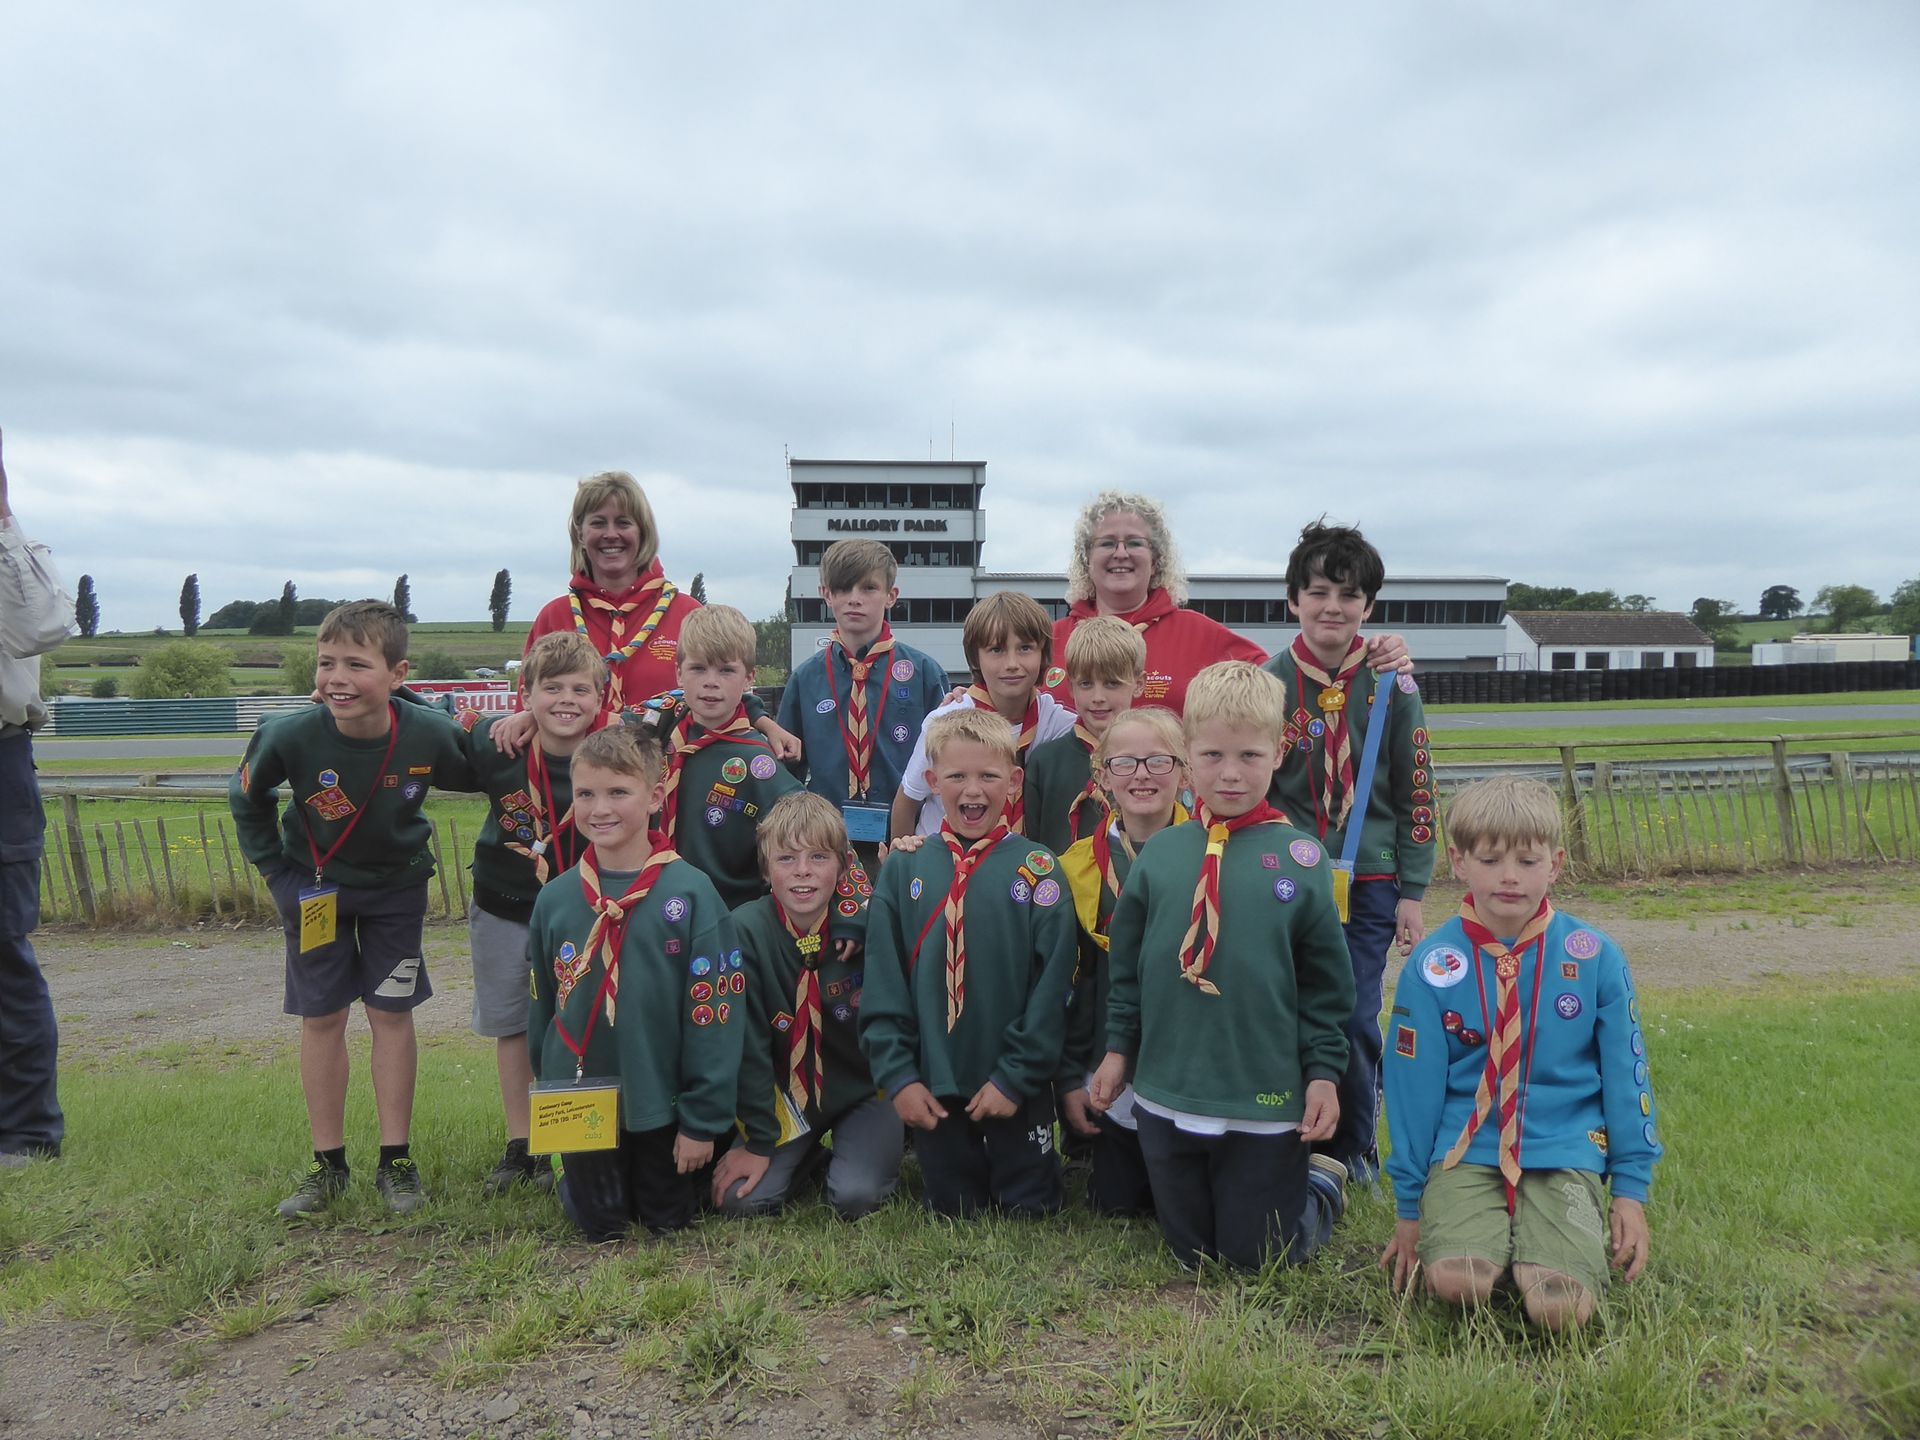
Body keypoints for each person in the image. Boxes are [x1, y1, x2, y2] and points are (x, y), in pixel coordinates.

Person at [1091, 661, 1354, 1270]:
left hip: (1262, 1094)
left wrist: (1322, 1073)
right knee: (1191, 1255)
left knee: (1256, 1257)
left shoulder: (1303, 858)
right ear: (1187, 756)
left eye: (1249, 756)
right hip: (1169, 1088)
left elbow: (1325, 986)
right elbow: (1127, 970)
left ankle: (1319, 1185)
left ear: (1278, 753)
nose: (1230, 774)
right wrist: (1117, 1052)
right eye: (1211, 755)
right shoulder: (1161, 856)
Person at [1381, 776, 1659, 1331]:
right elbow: (1413, 1091)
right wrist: (1410, 1208)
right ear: (1458, 862)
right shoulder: (1433, 965)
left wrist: (1630, 1191)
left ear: (1555, 864)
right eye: (1490, 859)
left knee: (1560, 1308)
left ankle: (1538, 1244)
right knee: (1458, 1281)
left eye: (1528, 861)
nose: (1510, 876)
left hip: (1566, 1143)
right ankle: (1490, 1237)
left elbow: (1627, 1077)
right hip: (1467, 1144)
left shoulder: (1596, 957)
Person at [230, 601, 479, 1216]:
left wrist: (512, 729)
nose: (336, 678)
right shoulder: (288, 734)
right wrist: (273, 872)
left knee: (390, 1014)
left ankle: (396, 1160)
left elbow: (483, 770)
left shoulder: (426, 733)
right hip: (315, 894)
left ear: (397, 674)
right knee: (321, 1019)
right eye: (326, 663)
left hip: (397, 892)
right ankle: (327, 1166)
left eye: (356, 664)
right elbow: (247, 797)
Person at [1265, 521, 1435, 1185]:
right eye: (1317, 592)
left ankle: (1355, 1145)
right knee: (1290, 1008)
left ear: (1368, 606)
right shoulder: (1269, 686)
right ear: (1293, 601)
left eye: (1348, 594)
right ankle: (1289, 1134)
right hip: (1291, 879)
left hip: (1370, 881)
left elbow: (1417, 791)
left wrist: (1413, 893)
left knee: (1359, 1013)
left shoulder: (1394, 685)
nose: (1332, 607)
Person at [527, 725, 743, 1240]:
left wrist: (701, 1121)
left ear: (655, 797)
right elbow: (540, 1009)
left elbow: (717, 1016)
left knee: (665, 1220)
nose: (599, 808)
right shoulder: (555, 898)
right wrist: (550, 1086)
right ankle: (570, 1170)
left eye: (618, 792)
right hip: (583, 1098)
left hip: (664, 1103)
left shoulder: (691, 893)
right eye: (585, 794)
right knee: (600, 1226)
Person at [860, 709, 1079, 1218]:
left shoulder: (1039, 869)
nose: (972, 790)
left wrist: (1016, 1077)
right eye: (957, 776)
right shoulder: (903, 869)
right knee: (954, 1209)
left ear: (1015, 780)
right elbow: (884, 982)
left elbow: (1054, 989)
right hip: (935, 1084)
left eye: (988, 775)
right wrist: (900, 1077)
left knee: (1030, 1208)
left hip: (1014, 1086)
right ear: (933, 782)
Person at [453, 632, 606, 1194]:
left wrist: (762, 720)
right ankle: (524, 1144)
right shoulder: (499, 746)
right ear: (525, 693)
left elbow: (691, 701)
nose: (566, 700)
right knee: (513, 1025)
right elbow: (431, 718)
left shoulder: (615, 750)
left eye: (580, 689)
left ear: (600, 698)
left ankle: (571, 1134)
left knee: (583, 1022)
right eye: (551, 688)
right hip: (506, 905)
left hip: (587, 911)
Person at [1045, 492, 1413, 716]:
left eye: (1135, 543)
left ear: (1157, 558)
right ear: (1085, 558)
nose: (1121, 553)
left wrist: (1370, 656)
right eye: (1107, 543)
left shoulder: (1202, 635)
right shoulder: (1049, 641)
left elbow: (1292, 684)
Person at [715, 792, 904, 1220]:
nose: (802, 872)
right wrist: (760, 1142)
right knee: (739, 1201)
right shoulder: (742, 932)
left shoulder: (869, 925)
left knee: (856, 1197)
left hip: (862, 1089)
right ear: (765, 871)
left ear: (842, 866)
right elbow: (745, 1047)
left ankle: (865, 1151)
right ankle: (806, 1158)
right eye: (786, 859)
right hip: (785, 1093)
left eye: (818, 857)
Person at [513, 469, 797, 748]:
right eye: (598, 523)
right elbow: (528, 709)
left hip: (671, 781)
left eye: (623, 523)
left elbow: (724, 689)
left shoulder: (687, 613)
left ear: (643, 532)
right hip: (579, 786)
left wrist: (765, 724)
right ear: (580, 534)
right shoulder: (554, 617)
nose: (611, 534)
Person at [1057, 706, 1189, 1216]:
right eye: (1125, 763)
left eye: (1159, 761)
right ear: (1102, 776)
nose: (1141, 775)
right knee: (1116, 1205)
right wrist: (1071, 1076)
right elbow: (1067, 982)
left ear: (1185, 772)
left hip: (1187, 1055)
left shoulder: (1213, 855)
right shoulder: (1076, 865)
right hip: (1108, 1055)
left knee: (1179, 1201)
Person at [0, 424, 75, 1169]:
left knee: (1, 953)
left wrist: (1, 521)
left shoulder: (16, 554)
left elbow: (44, 628)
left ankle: (25, 1133)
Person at [775, 538, 951, 856]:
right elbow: (787, 772)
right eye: (843, 588)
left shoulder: (925, 672)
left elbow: (948, 762)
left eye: (868, 588)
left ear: (890, 596)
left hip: (909, 842)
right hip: (824, 845)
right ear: (826, 594)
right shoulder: (805, 679)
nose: (854, 599)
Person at [656, 605, 808, 910]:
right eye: (698, 668)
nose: (711, 682)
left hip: (725, 915)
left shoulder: (759, 764)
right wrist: (533, 718)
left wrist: (851, 910)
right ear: (678, 673)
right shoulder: (662, 723)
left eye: (726, 670)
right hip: (652, 909)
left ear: (749, 677)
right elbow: (593, 716)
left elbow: (816, 828)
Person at [892, 591, 1075, 838]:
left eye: (1025, 648)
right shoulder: (945, 721)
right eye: (996, 650)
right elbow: (907, 801)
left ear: (1043, 654)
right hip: (946, 862)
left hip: (1018, 867)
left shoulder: (1056, 722)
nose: (1012, 663)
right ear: (975, 657)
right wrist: (902, 866)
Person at [1023, 616, 1144, 856]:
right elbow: (1032, 843)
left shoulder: (1156, 761)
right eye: (1086, 684)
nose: (1098, 697)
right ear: (1070, 687)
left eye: (1111, 683)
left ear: (1139, 684)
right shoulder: (1045, 762)